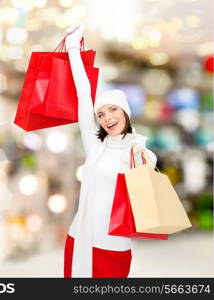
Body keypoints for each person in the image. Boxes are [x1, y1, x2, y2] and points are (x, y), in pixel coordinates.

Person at [63, 23, 158, 278]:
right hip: (79, 239)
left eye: (113, 109)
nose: (107, 117)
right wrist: (73, 46)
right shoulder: (95, 146)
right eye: (101, 113)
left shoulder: (141, 150)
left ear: (125, 111)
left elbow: (147, 189)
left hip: (113, 248)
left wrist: (139, 154)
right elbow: (84, 96)